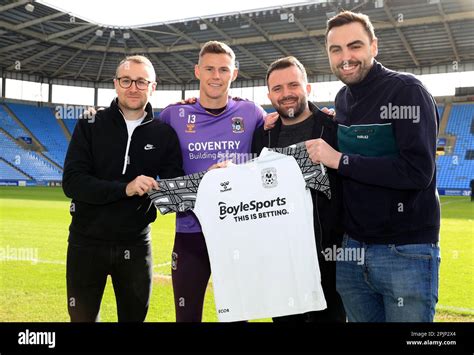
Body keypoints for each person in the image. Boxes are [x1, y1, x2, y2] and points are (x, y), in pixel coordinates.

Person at [306, 11, 440, 322]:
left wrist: (341, 160)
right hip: (352, 250)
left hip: (404, 250)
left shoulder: (407, 91)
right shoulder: (342, 98)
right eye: (335, 50)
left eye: (355, 46)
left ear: (374, 46)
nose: (346, 57)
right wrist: (273, 120)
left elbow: (417, 172)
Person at [62, 55, 184, 322]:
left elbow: (175, 190)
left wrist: (211, 179)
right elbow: (72, 182)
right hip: (86, 243)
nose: (133, 87)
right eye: (126, 80)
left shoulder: (164, 133)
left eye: (142, 82)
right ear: (116, 84)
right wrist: (124, 189)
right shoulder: (90, 123)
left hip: (136, 245)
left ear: (153, 87)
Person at [159, 41, 272, 322]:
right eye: (209, 68)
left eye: (223, 69)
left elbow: (274, 150)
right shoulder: (173, 115)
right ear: (197, 71)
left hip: (237, 234)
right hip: (190, 233)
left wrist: (324, 116)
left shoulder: (252, 113)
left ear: (234, 73)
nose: (216, 76)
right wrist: (99, 118)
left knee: (237, 318)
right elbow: (150, 159)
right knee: (187, 317)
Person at [251, 56, 346, 322]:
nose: (286, 94)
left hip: (329, 257)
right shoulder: (262, 137)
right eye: (277, 88)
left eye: (293, 85)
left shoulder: (334, 129)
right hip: (280, 260)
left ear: (308, 88)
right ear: (269, 95)